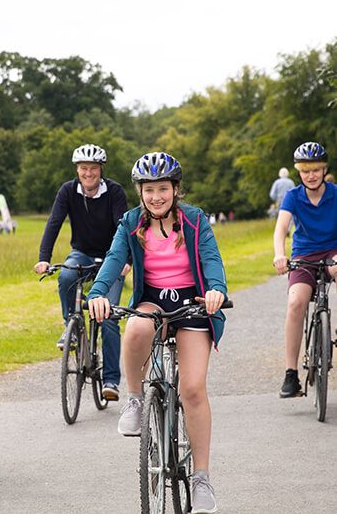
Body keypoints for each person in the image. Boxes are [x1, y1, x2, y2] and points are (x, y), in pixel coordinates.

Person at [87, 152, 228, 514]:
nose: (156, 197)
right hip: (152, 300)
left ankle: (201, 477)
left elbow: (211, 259)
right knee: (135, 325)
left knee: (193, 389)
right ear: (141, 192)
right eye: (149, 190)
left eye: (162, 189)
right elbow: (115, 259)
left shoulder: (195, 221)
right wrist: (98, 293)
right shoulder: (131, 222)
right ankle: (135, 399)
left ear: (175, 189)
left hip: (192, 302)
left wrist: (216, 289)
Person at [34, 144, 130, 401]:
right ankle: (71, 327)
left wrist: (126, 259)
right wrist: (44, 259)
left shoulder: (115, 192)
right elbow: (54, 223)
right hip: (82, 253)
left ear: (101, 170)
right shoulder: (68, 190)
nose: (88, 173)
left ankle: (111, 380)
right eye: (83, 168)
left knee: (108, 315)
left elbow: (124, 227)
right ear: (77, 170)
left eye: (93, 168)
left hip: (112, 257)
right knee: (66, 275)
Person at [273, 142, 337, 398]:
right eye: (305, 170)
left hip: (333, 250)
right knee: (296, 302)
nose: (311, 175)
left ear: (324, 170)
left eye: (316, 170)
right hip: (304, 254)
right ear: (298, 172)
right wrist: (280, 254)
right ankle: (291, 374)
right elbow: (281, 229)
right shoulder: (293, 196)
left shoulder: (335, 193)